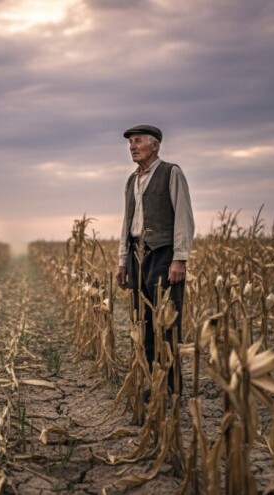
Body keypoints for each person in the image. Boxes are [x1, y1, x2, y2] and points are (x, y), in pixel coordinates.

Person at [115, 124, 194, 400]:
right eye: (130, 143)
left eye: (137, 142)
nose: (132, 147)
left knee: (167, 323)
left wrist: (179, 258)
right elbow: (128, 223)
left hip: (163, 256)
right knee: (144, 323)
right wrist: (123, 261)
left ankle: (171, 389)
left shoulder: (171, 173)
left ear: (155, 145)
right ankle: (153, 383)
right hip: (138, 257)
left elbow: (183, 216)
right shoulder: (131, 181)